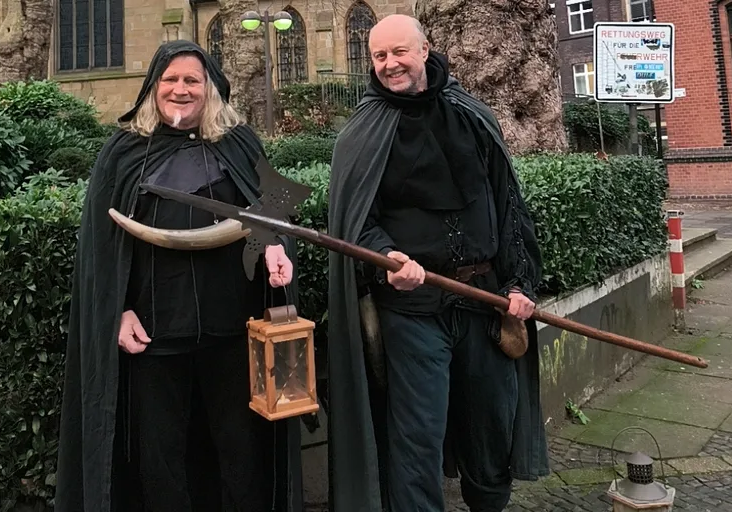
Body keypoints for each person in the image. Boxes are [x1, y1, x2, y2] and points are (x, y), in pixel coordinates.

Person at [54, 40, 304, 512]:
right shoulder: (123, 152)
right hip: (154, 332)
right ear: (152, 88)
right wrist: (118, 311)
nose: (181, 90)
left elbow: (273, 217)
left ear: (209, 88)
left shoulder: (238, 143)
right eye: (170, 80)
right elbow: (101, 250)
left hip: (233, 329)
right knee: (159, 461)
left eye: (192, 80)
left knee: (242, 453)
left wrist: (276, 250)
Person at [326, 14, 550, 512]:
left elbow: (507, 205)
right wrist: (386, 257)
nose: (389, 64)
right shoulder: (361, 132)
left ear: (425, 50)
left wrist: (520, 282)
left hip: (483, 300)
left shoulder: (472, 115)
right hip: (412, 311)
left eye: (399, 52)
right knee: (417, 436)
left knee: (490, 424)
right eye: (379, 56)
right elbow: (355, 220)